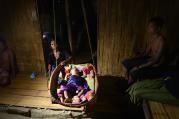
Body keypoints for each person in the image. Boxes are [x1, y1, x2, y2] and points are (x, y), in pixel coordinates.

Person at [122, 16, 167, 84]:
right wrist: (133, 57)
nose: (148, 28)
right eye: (148, 26)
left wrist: (139, 67)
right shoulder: (151, 38)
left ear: (158, 28)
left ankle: (129, 87)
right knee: (125, 62)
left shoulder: (162, 41)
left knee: (133, 72)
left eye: (151, 26)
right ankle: (126, 82)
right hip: (149, 61)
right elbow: (145, 54)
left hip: (157, 66)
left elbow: (156, 60)